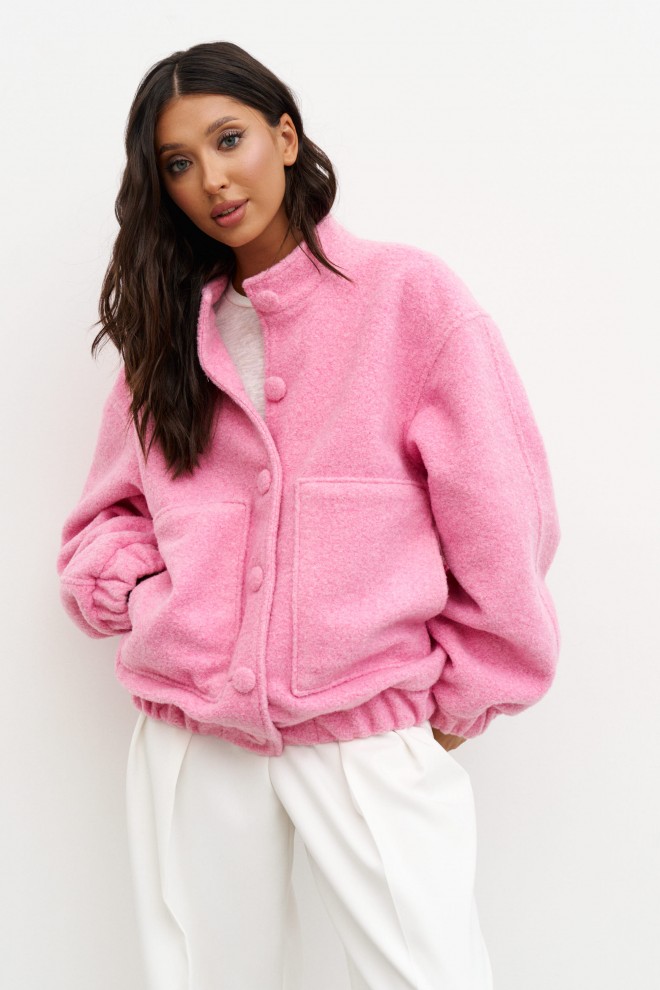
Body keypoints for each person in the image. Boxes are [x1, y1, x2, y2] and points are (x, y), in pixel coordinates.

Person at [55, 40, 561, 990]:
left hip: (367, 726)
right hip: (193, 730)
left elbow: (506, 511)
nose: (212, 179)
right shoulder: (170, 332)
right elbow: (108, 516)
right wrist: (149, 592)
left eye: (230, 139)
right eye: (178, 162)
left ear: (285, 137)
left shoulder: (408, 299)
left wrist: (466, 694)